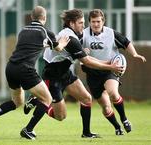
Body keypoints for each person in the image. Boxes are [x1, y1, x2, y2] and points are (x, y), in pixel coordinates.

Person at [23, 9, 124, 138]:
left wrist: (107, 63)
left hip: (65, 74)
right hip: (52, 77)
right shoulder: (70, 38)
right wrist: (110, 66)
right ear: (71, 24)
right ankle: (37, 102)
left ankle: (86, 133)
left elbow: (85, 57)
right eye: (81, 22)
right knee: (60, 116)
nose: (83, 25)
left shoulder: (75, 35)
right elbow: (87, 61)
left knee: (86, 99)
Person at [0, 6, 70, 140]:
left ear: (32, 17)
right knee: (47, 99)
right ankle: (28, 130)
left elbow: (31, 45)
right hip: (25, 69)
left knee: (17, 101)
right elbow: (58, 48)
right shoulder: (45, 32)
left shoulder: (23, 30)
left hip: (11, 67)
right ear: (44, 18)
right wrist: (62, 42)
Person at [81, 9, 146, 135]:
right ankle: (117, 127)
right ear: (89, 22)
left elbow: (126, 42)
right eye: (93, 21)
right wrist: (83, 51)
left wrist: (135, 54)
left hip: (110, 70)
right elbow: (76, 49)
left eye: (98, 21)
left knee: (113, 93)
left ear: (103, 21)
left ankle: (124, 119)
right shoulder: (83, 35)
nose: (96, 24)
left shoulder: (111, 33)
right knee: (105, 107)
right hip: (92, 74)